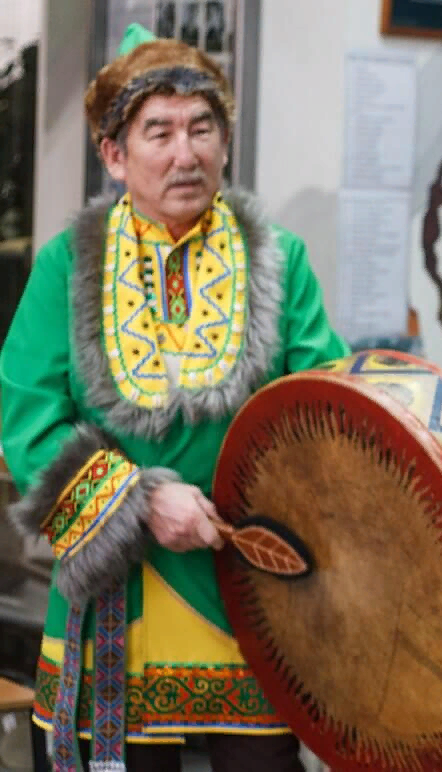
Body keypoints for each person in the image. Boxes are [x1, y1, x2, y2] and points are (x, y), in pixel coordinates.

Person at [1, 24, 347, 772]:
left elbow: (329, 412)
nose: (185, 153)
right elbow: (26, 419)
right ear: (114, 156)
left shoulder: (280, 263)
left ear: (226, 142)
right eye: (157, 132)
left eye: (202, 127)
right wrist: (140, 501)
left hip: (251, 600)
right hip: (109, 607)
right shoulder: (67, 265)